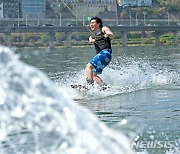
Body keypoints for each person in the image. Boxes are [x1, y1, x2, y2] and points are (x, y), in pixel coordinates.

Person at [86, 17, 115, 87]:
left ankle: (89, 86)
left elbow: (112, 35)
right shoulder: (92, 36)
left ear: (98, 24)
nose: (91, 25)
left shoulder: (104, 29)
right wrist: (92, 41)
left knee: (88, 66)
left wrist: (108, 35)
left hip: (106, 53)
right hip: (103, 56)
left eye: (93, 23)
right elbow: (90, 40)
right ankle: (104, 87)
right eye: (90, 23)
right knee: (93, 75)